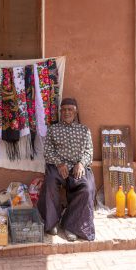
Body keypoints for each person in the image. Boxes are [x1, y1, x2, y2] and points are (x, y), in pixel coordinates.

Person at [37, 98, 96, 241]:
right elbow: (48, 152)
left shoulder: (84, 130)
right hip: (59, 167)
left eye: (70, 109)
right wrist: (59, 163)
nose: (66, 112)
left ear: (75, 112)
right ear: (60, 112)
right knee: (50, 181)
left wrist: (81, 163)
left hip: (78, 167)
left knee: (87, 188)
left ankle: (71, 225)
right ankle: (51, 222)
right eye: (64, 110)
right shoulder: (53, 129)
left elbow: (89, 151)